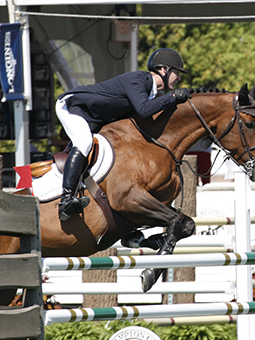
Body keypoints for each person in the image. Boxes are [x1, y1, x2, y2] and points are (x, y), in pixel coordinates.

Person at [54, 48, 192, 221]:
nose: (178, 78)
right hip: (72, 106)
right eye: (176, 73)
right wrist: (173, 96)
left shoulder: (152, 93)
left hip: (93, 117)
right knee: (84, 142)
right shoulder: (138, 81)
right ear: (163, 70)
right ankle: (66, 201)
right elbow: (143, 110)